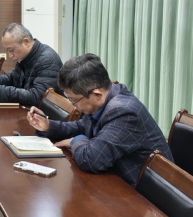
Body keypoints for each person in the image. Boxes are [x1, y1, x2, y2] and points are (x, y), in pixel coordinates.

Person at [27, 53, 173, 186]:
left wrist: (75, 141)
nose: (74, 107)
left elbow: (92, 160)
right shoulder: (106, 97)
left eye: (74, 100)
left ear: (96, 94)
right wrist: (48, 126)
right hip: (115, 179)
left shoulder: (124, 112)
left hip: (143, 196)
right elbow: (82, 126)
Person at [0, 23, 62, 106]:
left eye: (11, 50)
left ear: (26, 42)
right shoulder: (26, 57)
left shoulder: (47, 60)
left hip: (45, 116)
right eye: (7, 51)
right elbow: (12, 78)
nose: (10, 56)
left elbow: (37, 97)